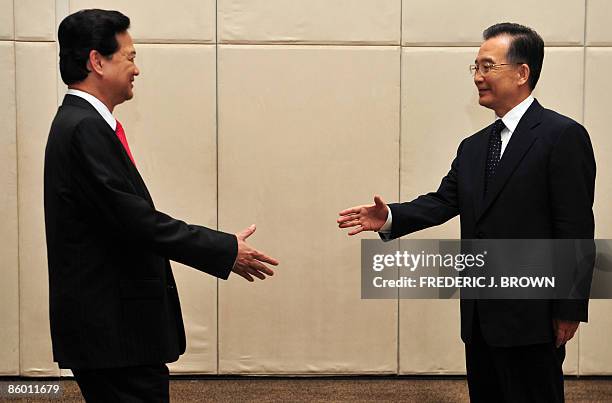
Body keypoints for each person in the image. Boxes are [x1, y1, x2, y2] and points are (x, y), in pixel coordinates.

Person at [338, 22, 595, 402]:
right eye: (475, 67)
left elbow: (574, 228)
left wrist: (569, 308)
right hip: (480, 318)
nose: (477, 77)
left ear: (522, 73)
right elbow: (444, 201)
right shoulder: (474, 146)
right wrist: (390, 216)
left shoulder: (562, 136)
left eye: (487, 66)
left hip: (534, 317)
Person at [44, 9, 278, 402]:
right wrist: (224, 250)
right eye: (130, 57)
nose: (137, 69)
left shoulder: (82, 124)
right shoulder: (83, 128)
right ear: (96, 61)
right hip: (114, 333)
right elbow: (137, 221)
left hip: (113, 334)